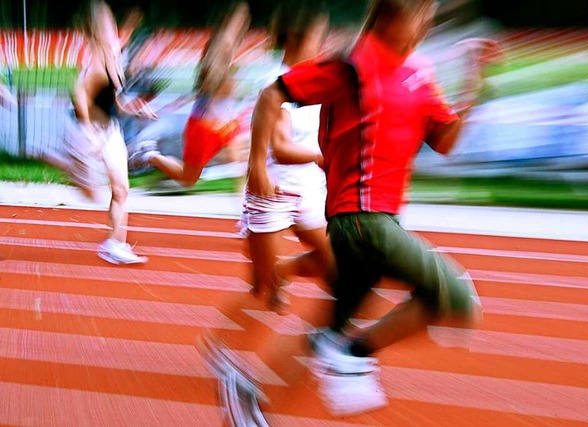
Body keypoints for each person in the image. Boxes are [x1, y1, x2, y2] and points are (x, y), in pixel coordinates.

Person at [247, 0, 502, 416]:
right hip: (363, 221)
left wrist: (476, 80)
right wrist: (258, 164)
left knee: (326, 332)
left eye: (428, 16)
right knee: (456, 296)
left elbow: (446, 140)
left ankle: (250, 394)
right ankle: (353, 354)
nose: (425, 25)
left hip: (369, 226)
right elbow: (272, 93)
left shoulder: (419, 72)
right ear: (388, 16)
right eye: (418, 15)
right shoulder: (353, 64)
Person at [239, 6, 334, 315]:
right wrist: (323, 157)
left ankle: (282, 273)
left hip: (308, 190)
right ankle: (224, 350)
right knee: (262, 290)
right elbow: (280, 147)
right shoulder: (275, 81)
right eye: (317, 37)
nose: (321, 45)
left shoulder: (317, 79)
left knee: (332, 264)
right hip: (273, 191)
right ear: (295, 38)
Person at [63, 0, 156, 265]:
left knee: (122, 189)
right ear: (95, 30)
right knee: (91, 193)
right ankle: (61, 162)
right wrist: (91, 132)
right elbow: (81, 94)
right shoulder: (96, 61)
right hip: (89, 131)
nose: (113, 29)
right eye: (107, 24)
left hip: (110, 130)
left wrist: (135, 109)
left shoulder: (112, 57)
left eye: (113, 23)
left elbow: (111, 101)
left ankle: (115, 244)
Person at [127, 3, 250, 188]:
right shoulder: (222, 45)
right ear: (229, 20)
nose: (244, 23)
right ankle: (149, 155)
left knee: (244, 164)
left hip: (221, 120)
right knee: (189, 178)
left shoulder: (226, 45)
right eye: (240, 18)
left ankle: (248, 211)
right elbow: (210, 80)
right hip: (208, 124)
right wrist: (228, 84)